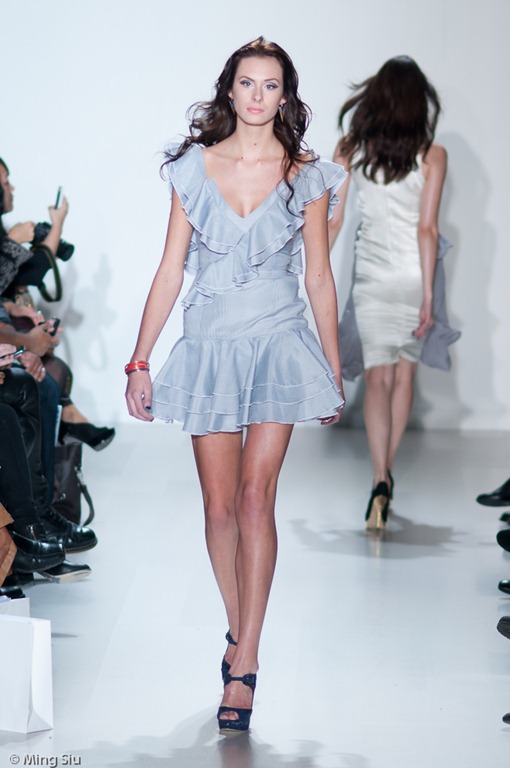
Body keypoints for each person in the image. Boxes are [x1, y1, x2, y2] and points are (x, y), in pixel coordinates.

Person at [126, 36, 346, 733]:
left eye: (270, 85)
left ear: (286, 96)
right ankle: (237, 624)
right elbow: (170, 268)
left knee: (256, 500)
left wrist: (333, 368)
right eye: (247, 83)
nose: (257, 96)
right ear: (230, 90)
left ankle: (245, 661)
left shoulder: (306, 175)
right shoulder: (193, 167)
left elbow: (318, 275)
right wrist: (140, 360)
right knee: (219, 508)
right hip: (211, 344)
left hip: (279, 340)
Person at [329, 56, 453, 530]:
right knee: (404, 378)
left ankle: (378, 477)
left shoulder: (351, 148)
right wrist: (428, 298)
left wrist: (310, 265)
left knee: (376, 380)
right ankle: (388, 474)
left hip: (373, 277)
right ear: (420, 102)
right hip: (412, 277)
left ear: (376, 98)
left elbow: (335, 220)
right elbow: (427, 229)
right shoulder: (432, 155)